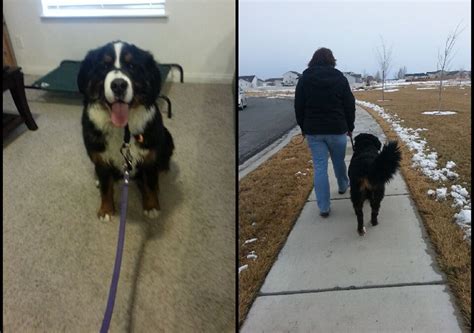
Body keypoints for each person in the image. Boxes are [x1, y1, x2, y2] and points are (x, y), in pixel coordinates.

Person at [294, 47, 355, 217]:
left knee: (320, 167)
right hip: (337, 129)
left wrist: (303, 127)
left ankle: (324, 207)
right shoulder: (340, 78)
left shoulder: (305, 79)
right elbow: (349, 104)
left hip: (314, 131)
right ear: (332, 60)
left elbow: (298, 105)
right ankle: (343, 186)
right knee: (338, 161)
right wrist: (350, 127)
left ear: (313, 60)